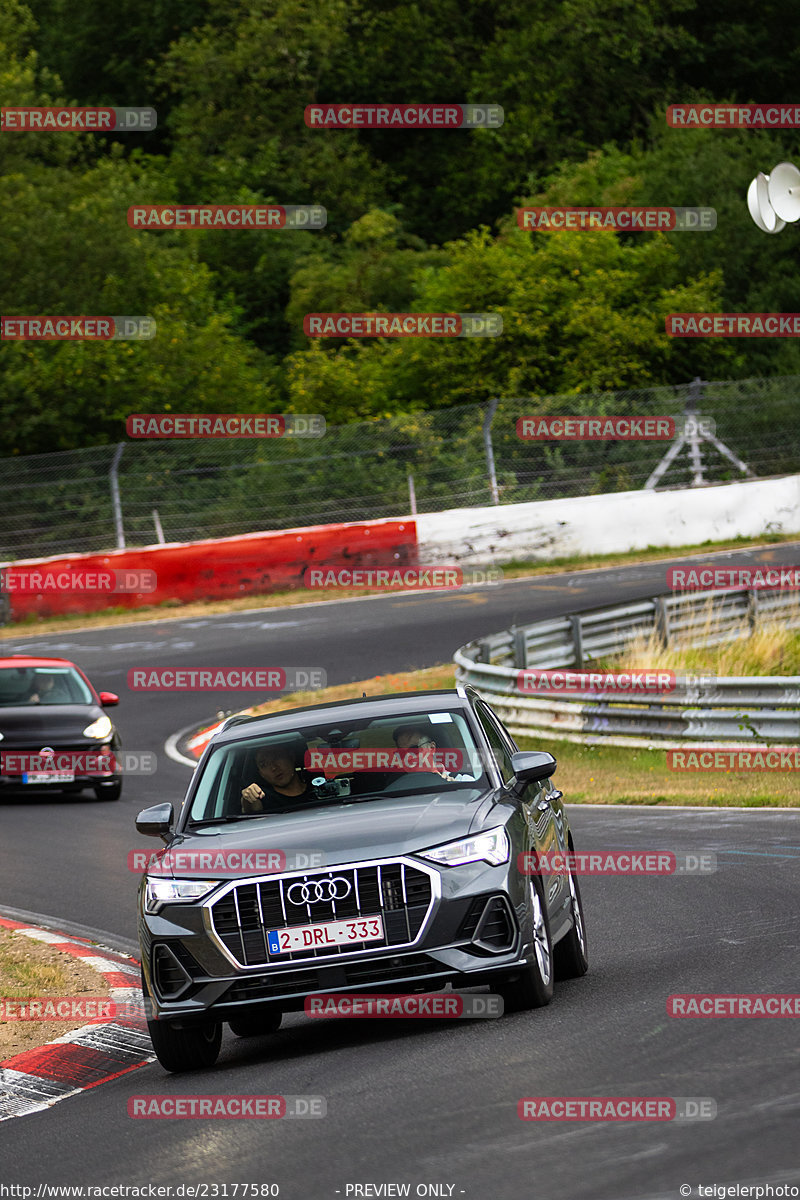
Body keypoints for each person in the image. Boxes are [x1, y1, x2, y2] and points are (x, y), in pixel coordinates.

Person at [240, 739, 317, 813]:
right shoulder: (263, 797)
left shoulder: (317, 785)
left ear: (291, 757)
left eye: (276, 757)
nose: (273, 768)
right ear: (261, 774)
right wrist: (248, 798)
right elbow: (251, 810)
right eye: (264, 765)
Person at [392, 725, 478, 782]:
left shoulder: (464, 781)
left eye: (413, 750)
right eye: (401, 753)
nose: (408, 757)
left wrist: (457, 789)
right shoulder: (392, 793)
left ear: (432, 748)